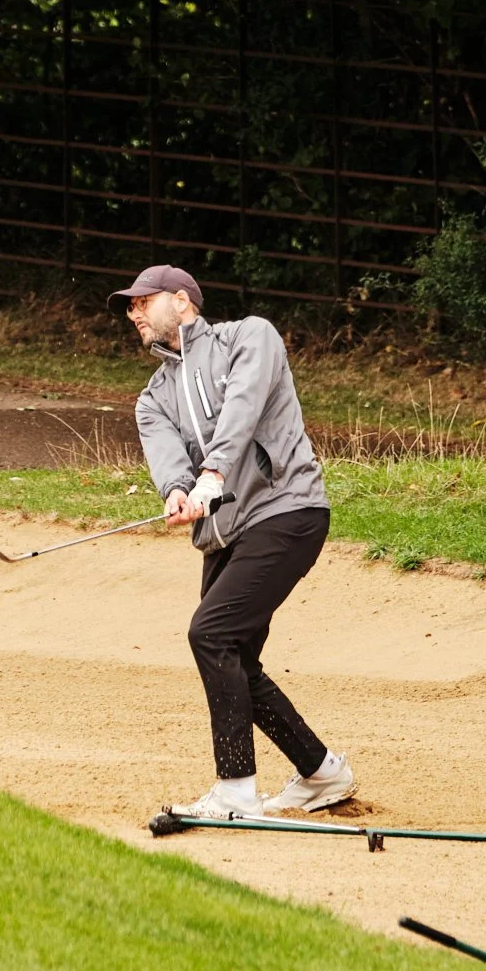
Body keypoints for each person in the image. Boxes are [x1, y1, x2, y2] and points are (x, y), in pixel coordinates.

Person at [107, 263, 356, 829]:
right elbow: (167, 457)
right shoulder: (153, 398)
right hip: (224, 535)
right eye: (130, 306)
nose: (134, 312)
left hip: (286, 511)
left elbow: (242, 409)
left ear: (183, 301)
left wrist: (214, 473)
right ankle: (321, 772)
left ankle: (236, 789)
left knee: (210, 632)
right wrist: (176, 492)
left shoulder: (251, 336)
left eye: (144, 301)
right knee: (235, 658)